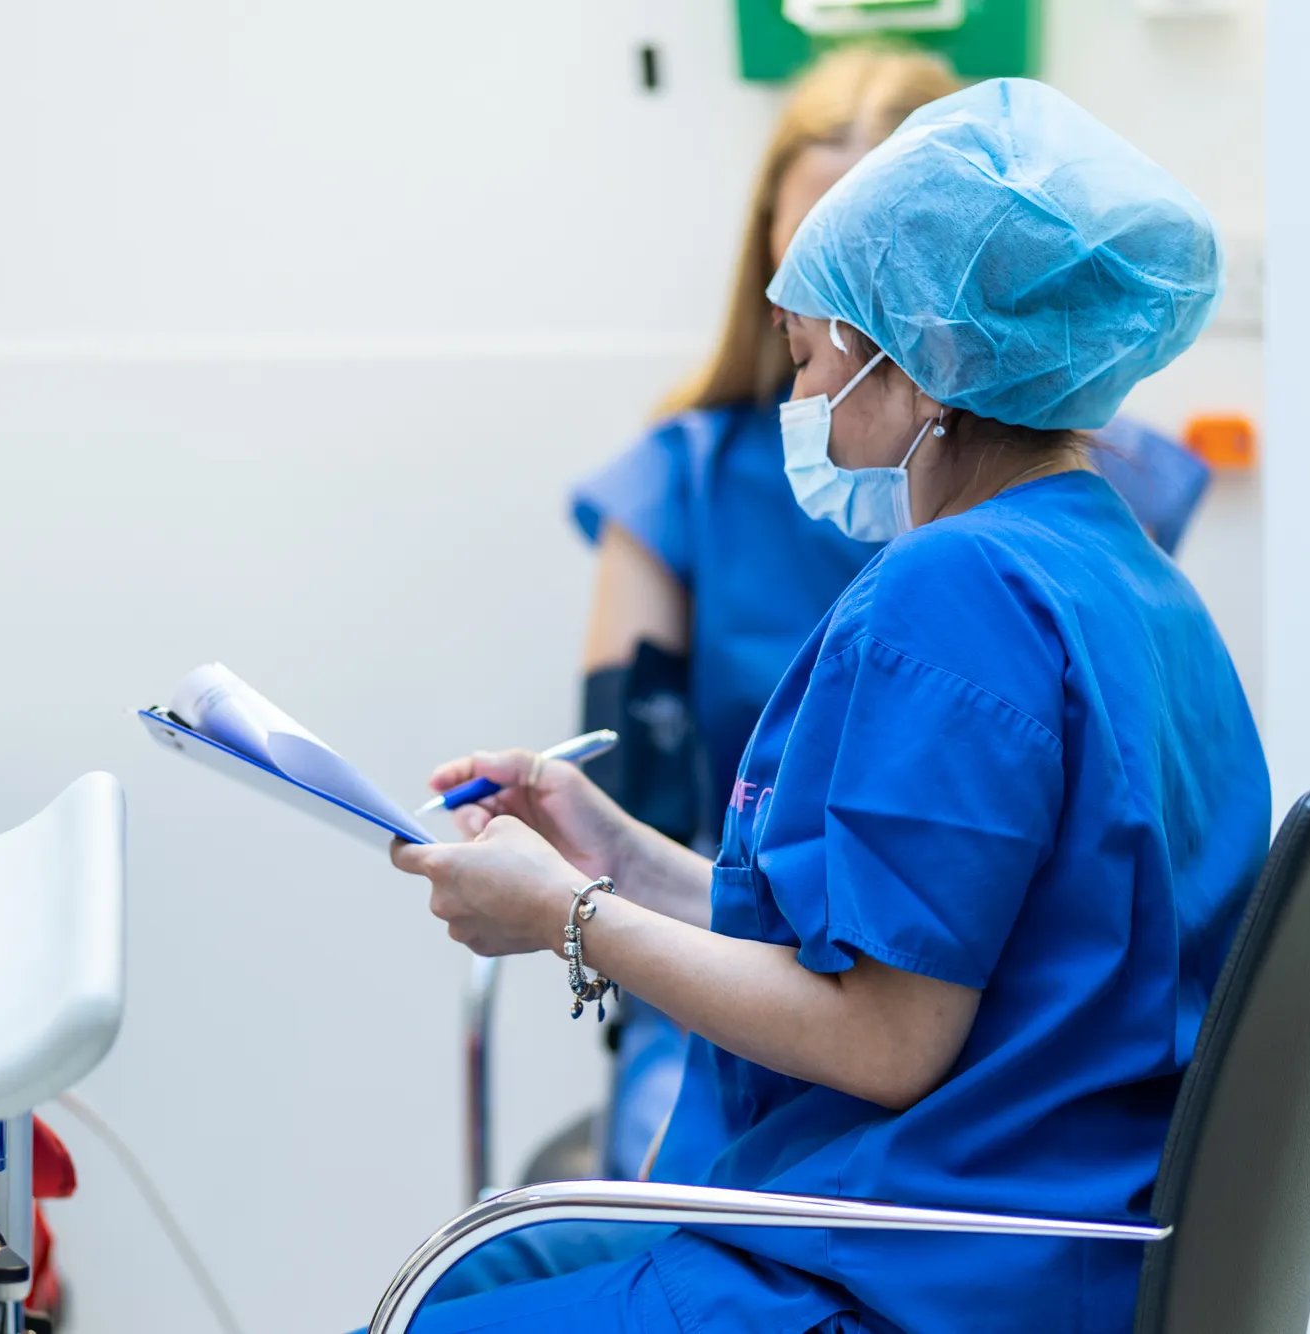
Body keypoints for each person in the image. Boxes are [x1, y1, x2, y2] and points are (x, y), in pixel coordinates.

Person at [387, 77, 1269, 1332]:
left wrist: (567, 916)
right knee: (481, 1280)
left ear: (916, 368)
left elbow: (884, 1038)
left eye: (807, 361)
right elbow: (901, 928)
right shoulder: (1114, 570)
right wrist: (623, 854)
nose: (798, 408)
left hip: (923, 1269)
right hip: (1031, 1225)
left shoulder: (953, 590)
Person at [571, 46, 960, 1182]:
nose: (841, 328)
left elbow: (900, 1028)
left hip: (940, 1012)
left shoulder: (1016, 551)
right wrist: (591, 894)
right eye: (812, 280)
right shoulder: (677, 484)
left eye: (877, 284)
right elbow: (627, 801)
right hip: (723, 965)